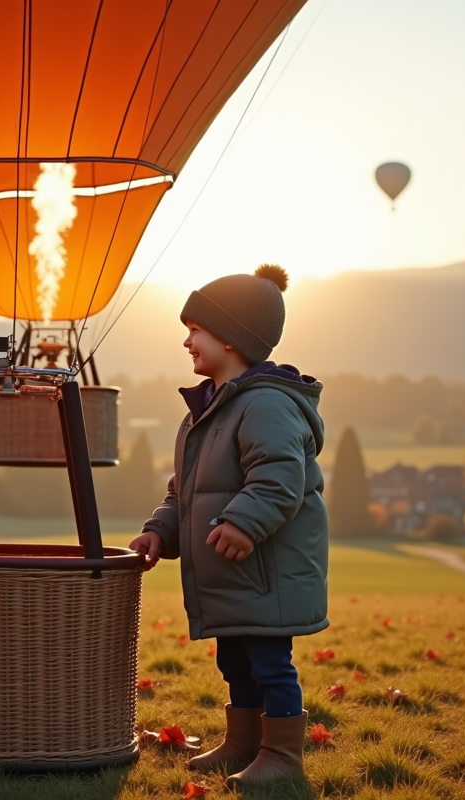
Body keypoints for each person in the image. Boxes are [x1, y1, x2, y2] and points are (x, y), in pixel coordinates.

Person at [129, 264, 329, 788]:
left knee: (270, 664)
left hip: (264, 572)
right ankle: (243, 741)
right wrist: (160, 530)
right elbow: (187, 492)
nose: (187, 341)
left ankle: (281, 756)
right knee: (236, 664)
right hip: (234, 574)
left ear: (232, 338)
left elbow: (279, 477)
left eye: (196, 329)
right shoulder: (207, 411)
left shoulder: (266, 404)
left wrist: (243, 522)